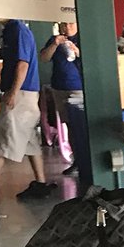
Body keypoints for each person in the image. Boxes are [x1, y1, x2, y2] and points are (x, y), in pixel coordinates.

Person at [0, 17, 55, 201]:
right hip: (26, 94)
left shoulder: (17, 29)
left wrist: (12, 91)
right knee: (29, 141)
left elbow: (23, 64)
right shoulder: (13, 29)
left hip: (21, 94)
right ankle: (40, 184)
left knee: (3, 137)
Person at [40, 22, 82, 176]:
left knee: (81, 125)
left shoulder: (82, 38)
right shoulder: (55, 39)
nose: (67, 26)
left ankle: (85, 160)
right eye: (64, 24)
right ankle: (76, 160)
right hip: (59, 87)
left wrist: (76, 51)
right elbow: (44, 58)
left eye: (70, 23)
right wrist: (55, 44)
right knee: (69, 125)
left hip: (78, 88)